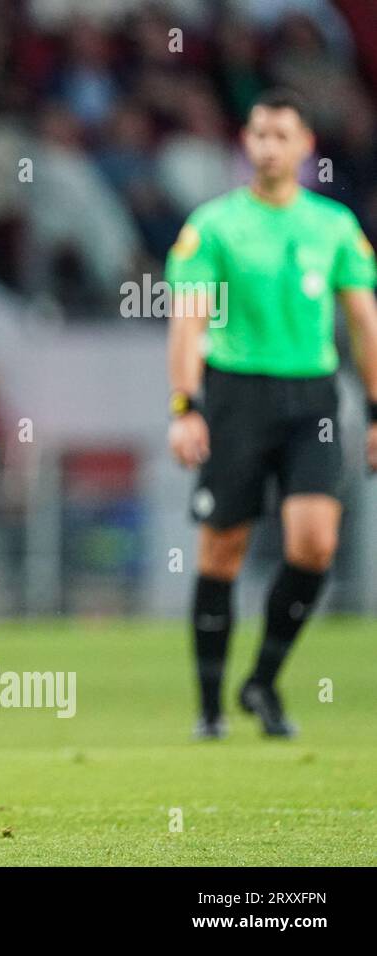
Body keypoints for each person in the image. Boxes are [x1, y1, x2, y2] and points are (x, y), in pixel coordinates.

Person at [166, 89, 377, 740]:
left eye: (282, 135)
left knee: (315, 543)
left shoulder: (334, 226)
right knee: (222, 550)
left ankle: (262, 681)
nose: (268, 146)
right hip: (235, 394)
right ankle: (208, 706)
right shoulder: (215, 225)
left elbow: (364, 322)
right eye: (258, 134)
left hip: (313, 395)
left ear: (306, 145)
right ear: (246, 144)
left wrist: (374, 406)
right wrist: (185, 405)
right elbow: (187, 320)